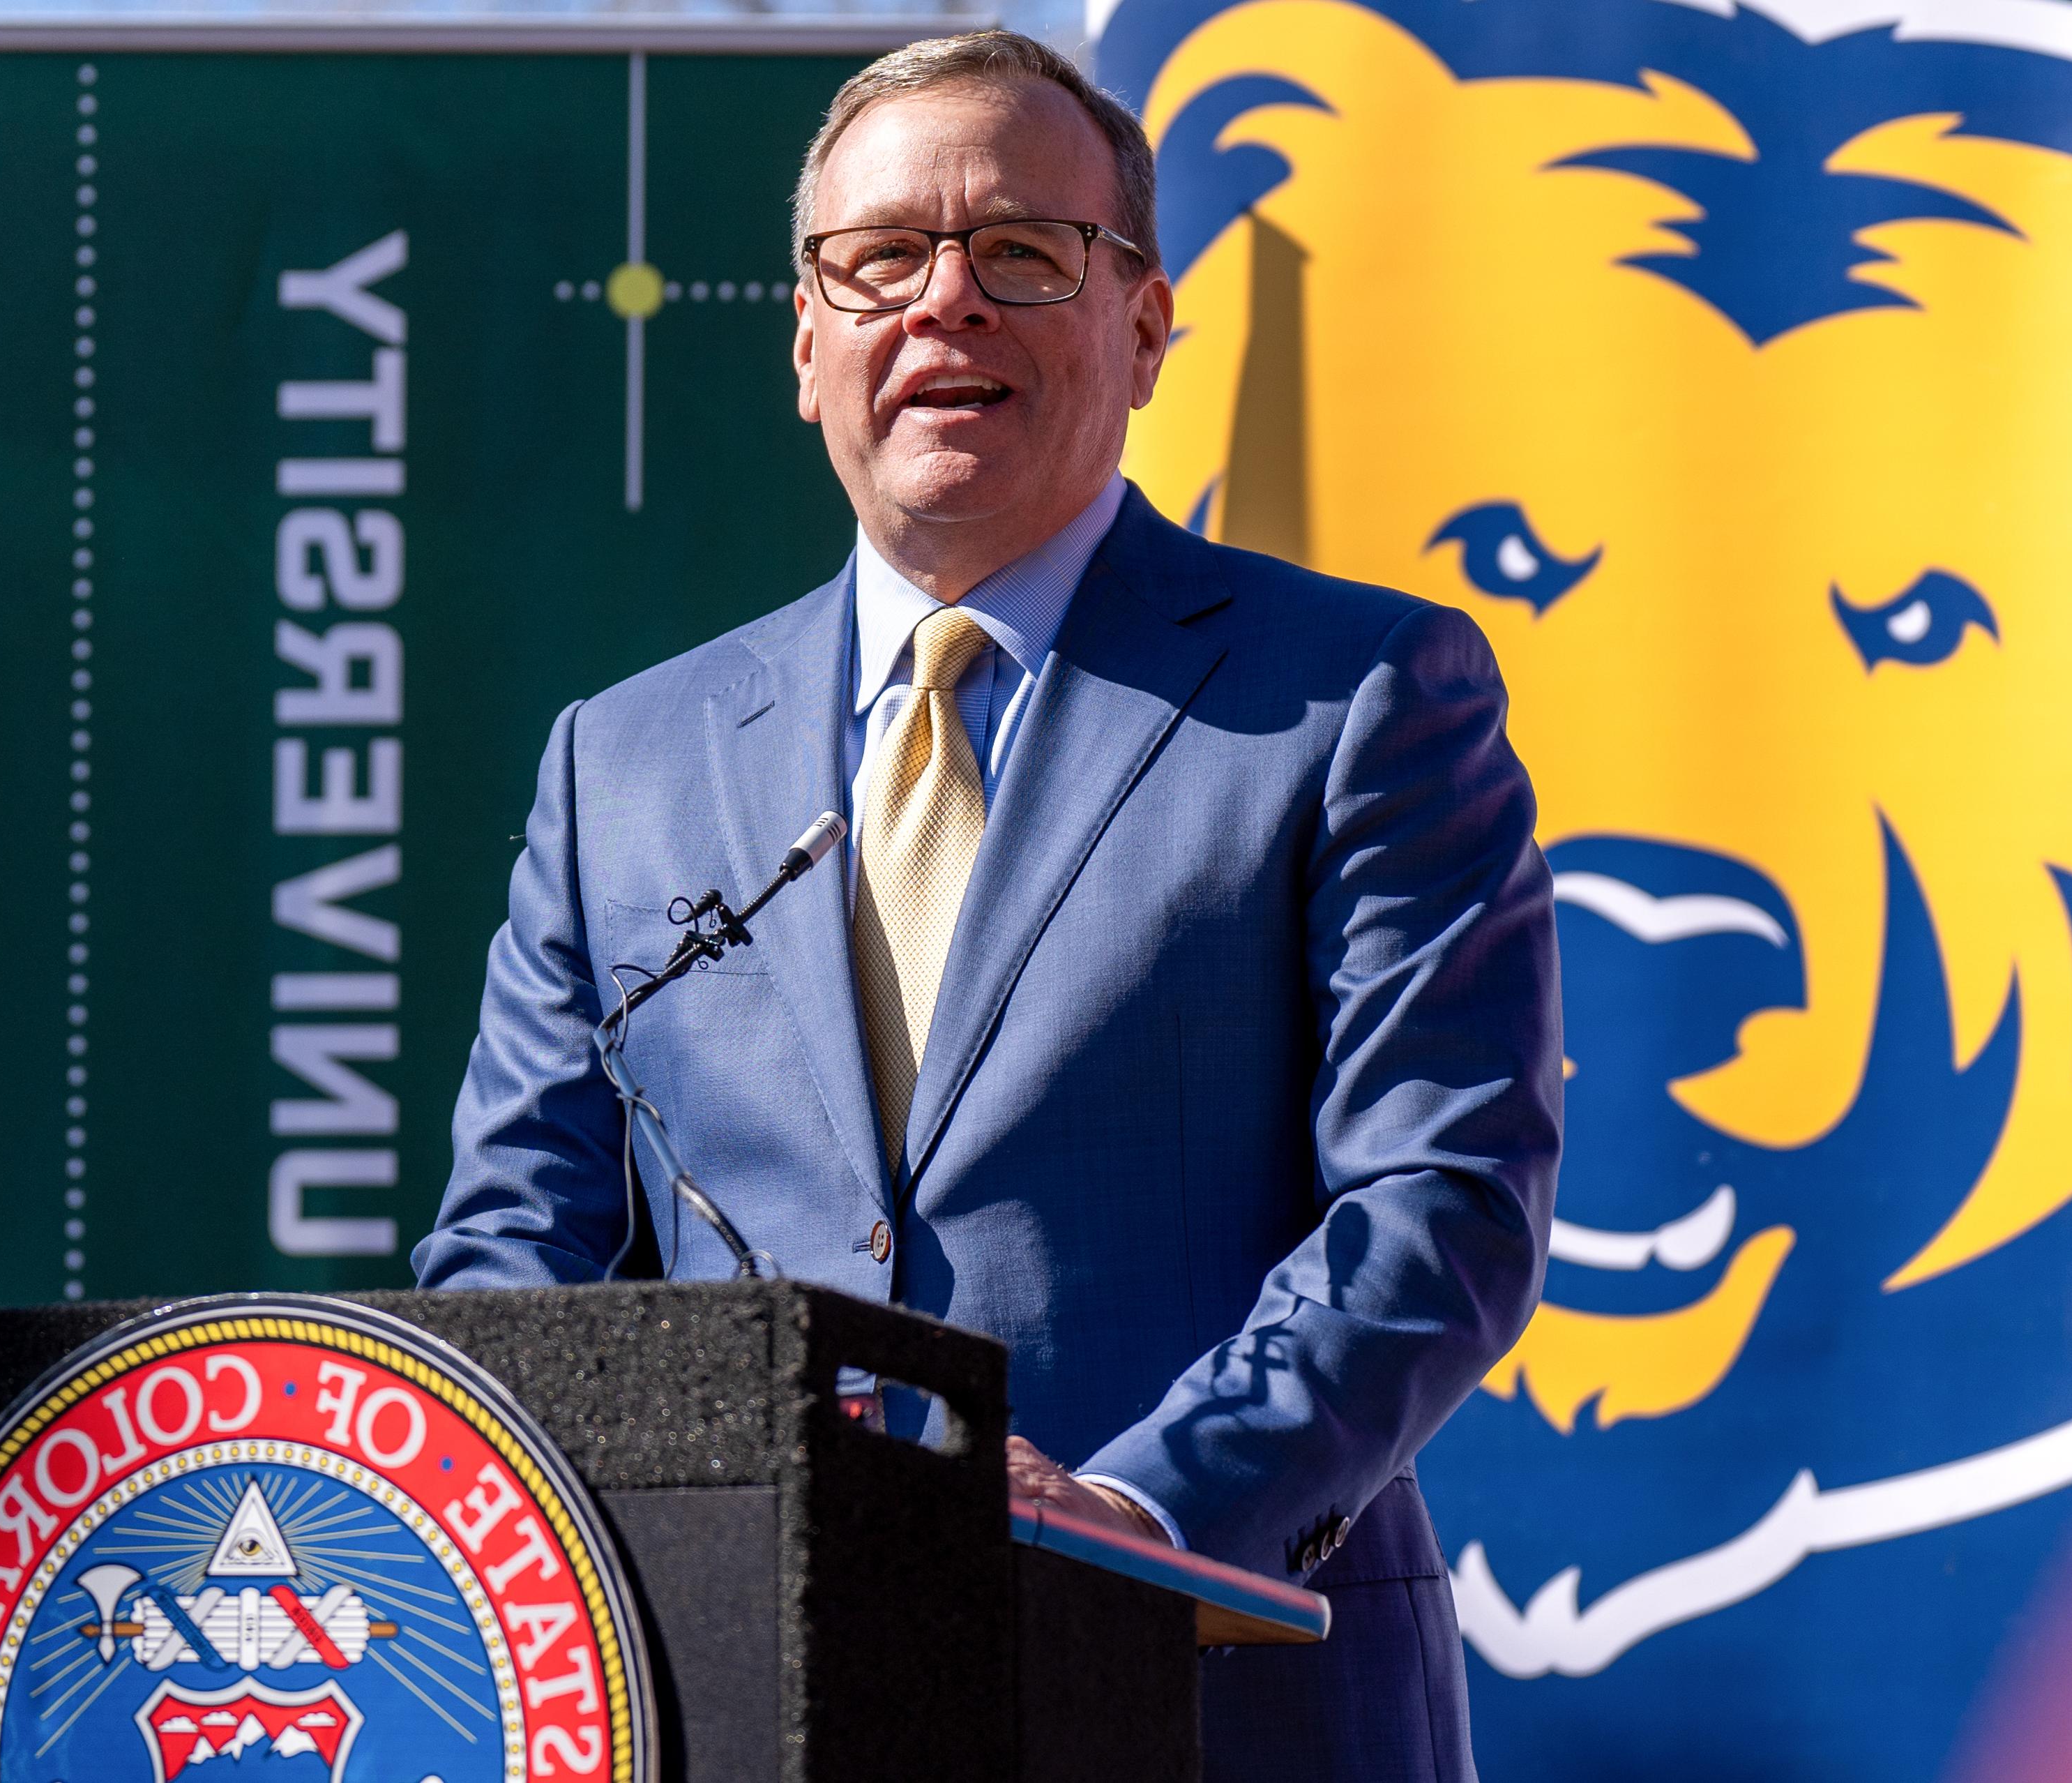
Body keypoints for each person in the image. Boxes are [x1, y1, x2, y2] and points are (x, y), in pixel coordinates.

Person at [414, 30, 1561, 1780]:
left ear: (1146, 328)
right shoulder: (621, 763)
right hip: (741, 1697)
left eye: (1021, 252)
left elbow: (1441, 1205)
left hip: (1209, 1692)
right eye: (880, 259)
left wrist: (1121, 1515)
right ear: (807, 342)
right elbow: (515, 1255)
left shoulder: (1359, 697)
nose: (944, 302)